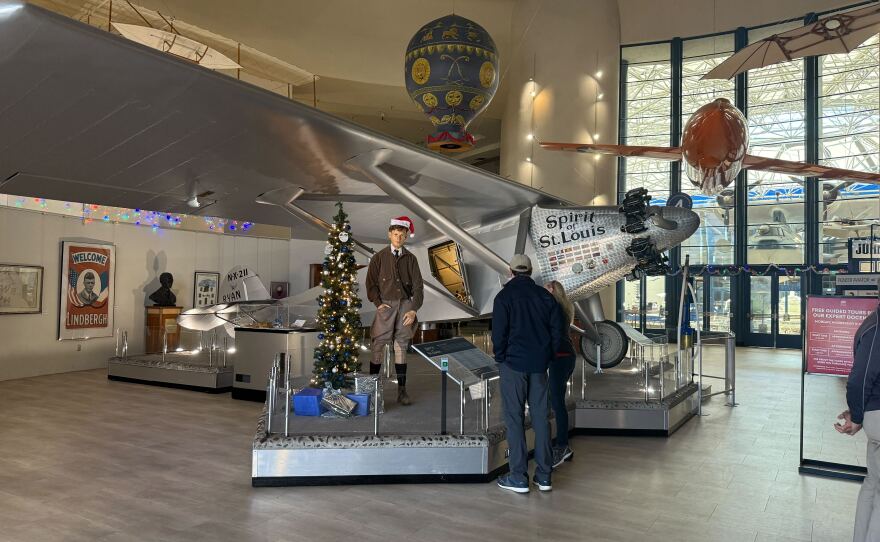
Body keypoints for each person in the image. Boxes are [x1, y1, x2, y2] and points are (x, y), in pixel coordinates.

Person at [493, 254, 562, 494]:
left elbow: (498, 334)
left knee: (514, 420)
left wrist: (500, 357)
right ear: (530, 271)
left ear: (510, 272)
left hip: (513, 365)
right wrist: (548, 356)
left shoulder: (503, 297)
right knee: (541, 418)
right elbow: (557, 331)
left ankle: (518, 477)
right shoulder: (546, 297)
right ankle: (544, 476)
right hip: (539, 366)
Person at [365, 216, 424, 406]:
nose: (398, 238)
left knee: (401, 348)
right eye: (395, 234)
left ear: (406, 236)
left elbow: (418, 288)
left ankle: (402, 391)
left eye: (402, 235)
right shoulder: (379, 258)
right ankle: (373, 392)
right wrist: (377, 302)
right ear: (390, 234)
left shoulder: (411, 259)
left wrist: (413, 309)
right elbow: (371, 283)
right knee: (378, 346)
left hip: (405, 306)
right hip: (385, 306)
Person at [837, 304, 880, 542]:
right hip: (878, 413)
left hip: (874, 414)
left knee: (873, 484)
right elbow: (859, 379)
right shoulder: (876, 328)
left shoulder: (872, 322)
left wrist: (859, 412)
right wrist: (857, 414)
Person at [545, 280, 576, 468]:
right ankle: (561, 445)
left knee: (556, 402)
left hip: (559, 359)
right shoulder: (565, 308)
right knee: (554, 400)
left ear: (552, 290)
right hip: (566, 358)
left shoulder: (555, 308)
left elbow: (553, 337)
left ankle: (562, 445)